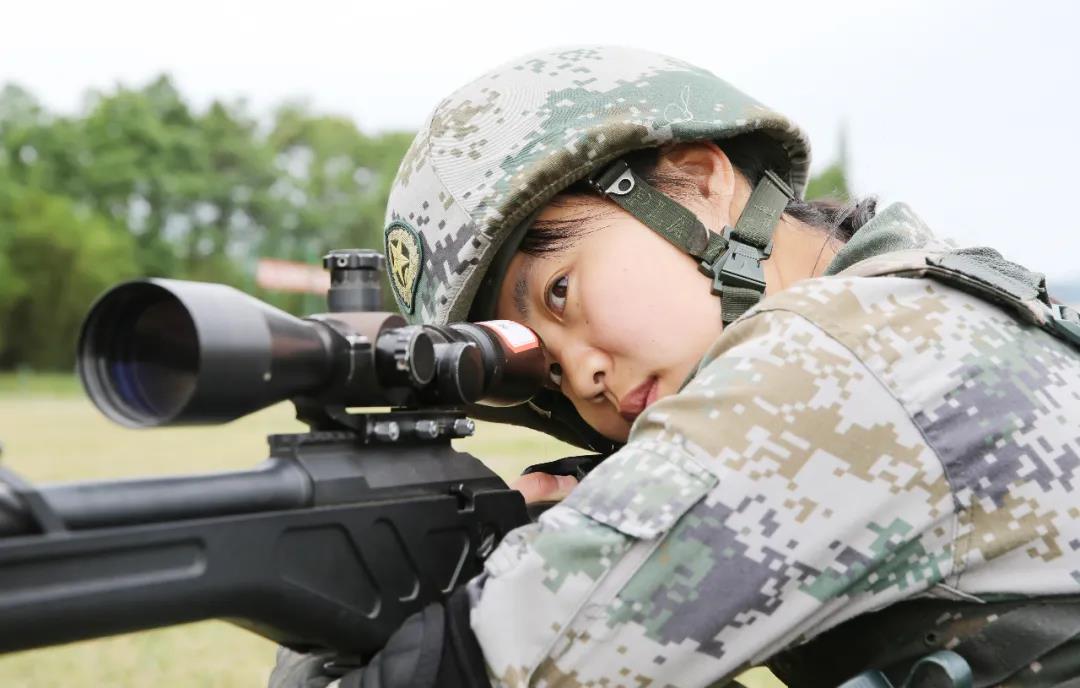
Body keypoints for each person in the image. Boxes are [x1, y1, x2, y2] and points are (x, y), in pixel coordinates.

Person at [271, 45, 1080, 688]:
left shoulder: (834, 361)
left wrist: (353, 596)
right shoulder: (919, 303)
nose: (581, 376)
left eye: (560, 292)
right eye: (546, 372)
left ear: (697, 181)